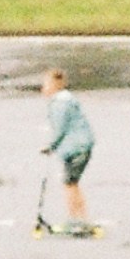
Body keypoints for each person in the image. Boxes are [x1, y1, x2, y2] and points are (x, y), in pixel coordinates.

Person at [40, 67, 98, 236]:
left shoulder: (60, 103)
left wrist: (50, 146)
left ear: (55, 85)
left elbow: (60, 129)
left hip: (76, 148)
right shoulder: (66, 100)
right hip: (81, 146)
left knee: (69, 184)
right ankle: (82, 218)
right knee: (73, 183)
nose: (43, 88)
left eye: (46, 85)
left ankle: (75, 220)